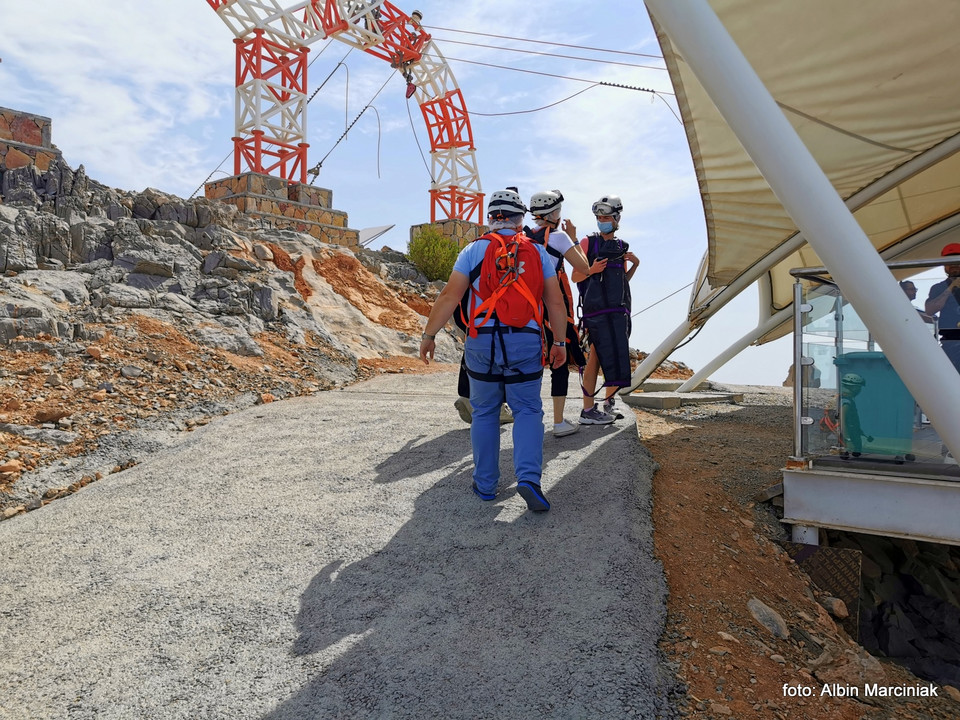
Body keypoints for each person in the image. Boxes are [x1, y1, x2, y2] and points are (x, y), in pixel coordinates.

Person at [420, 189, 568, 512]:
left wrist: (429, 334)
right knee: (527, 410)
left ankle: (485, 484)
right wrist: (559, 342)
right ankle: (528, 478)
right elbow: (554, 302)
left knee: (485, 412)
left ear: (490, 218)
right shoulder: (538, 252)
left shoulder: (472, 251)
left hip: (481, 342)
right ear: (519, 221)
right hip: (526, 341)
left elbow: (448, 297)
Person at [524, 189, 606, 437]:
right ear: (555, 213)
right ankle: (558, 421)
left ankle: (526, 418)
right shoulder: (558, 237)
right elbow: (584, 267)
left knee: (528, 363)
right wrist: (573, 238)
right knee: (558, 360)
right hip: (552, 308)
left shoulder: (525, 237)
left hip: (526, 307)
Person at [570, 195, 639, 424]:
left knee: (616, 357)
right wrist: (592, 269)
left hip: (618, 311)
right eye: (599, 217)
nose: (602, 220)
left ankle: (607, 404)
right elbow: (575, 275)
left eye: (606, 217)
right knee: (596, 358)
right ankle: (588, 410)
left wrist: (635, 265)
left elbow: (623, 281)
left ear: (617, 218)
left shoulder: (621, 247)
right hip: (596, 312)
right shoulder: (588, 243)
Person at [925, 243, 960, 373]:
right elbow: (930, 310)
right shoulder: (938, 288)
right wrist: (951, 287)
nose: (954, 264)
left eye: (957, 260)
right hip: (949, 343)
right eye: (949, 261)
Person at [839, 372, 873, 456]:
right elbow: (842, 422)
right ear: (854, 388)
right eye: (859, 387)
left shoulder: (846, 400)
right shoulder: (846, 402)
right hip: (850, 438)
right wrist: (848, 440)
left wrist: (859, 431)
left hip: (853, 434)